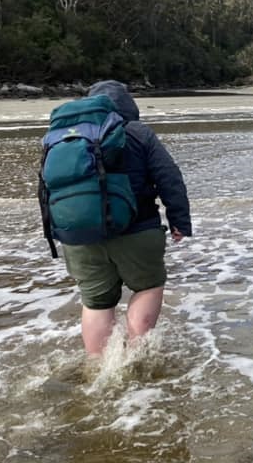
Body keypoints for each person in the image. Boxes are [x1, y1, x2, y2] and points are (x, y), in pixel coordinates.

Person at [57, 80, 191, 356]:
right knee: (146, 287)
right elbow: (169, 178)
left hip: (79, 235)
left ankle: (98, 366)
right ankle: (137, 359)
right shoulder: (138, 132)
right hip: (137, 230)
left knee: (96, 302)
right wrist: (179, 220)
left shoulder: (64, 136)